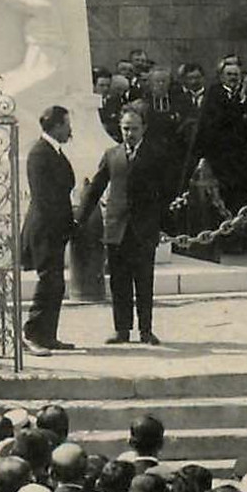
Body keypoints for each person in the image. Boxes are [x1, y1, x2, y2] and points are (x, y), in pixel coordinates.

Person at [77, 108, 177, 346]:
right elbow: (96, 189)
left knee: (144, 282)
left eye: (133, 128)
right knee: (119, 282)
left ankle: (145, 330)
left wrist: (162, 225)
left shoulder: (156, 155)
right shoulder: (112, 155)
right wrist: (79, 218)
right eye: (125, 128)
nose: (129, 133)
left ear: (144, 128)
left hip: (143, 230)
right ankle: (121, 330)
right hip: (116, 229)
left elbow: (166, 193)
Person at [21, 106, 77, 354]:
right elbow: (45, 199)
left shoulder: (53, 152)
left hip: (55, 229)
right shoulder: (39, 154)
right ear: (55, 126)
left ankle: (48, 335)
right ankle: (32, 334)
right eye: (66, 124)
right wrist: (63, 225)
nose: (69, 129)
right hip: (45, 229)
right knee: (49, 281)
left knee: (55, 283)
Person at [189, 59, 247, 213]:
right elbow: (214, 125)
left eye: (236, 74)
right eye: (229, 74)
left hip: (242, 160)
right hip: (220, 159)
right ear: (222, 77)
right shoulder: (214, 94)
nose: (233, 78)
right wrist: (240, 104)